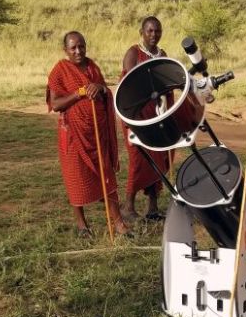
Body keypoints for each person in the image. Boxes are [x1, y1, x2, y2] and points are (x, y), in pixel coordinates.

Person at [47, 31, 131, 238]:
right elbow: (55, 104)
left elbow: (104, 91)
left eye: (81, 46)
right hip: (73, 136)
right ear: (65, 49)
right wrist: (79, 93)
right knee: (76, 179)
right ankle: (82, 226)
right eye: (73, 47)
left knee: (106, 177)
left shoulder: (92, 66)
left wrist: (100, 88)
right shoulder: (60, 70)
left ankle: (119, 224)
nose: (78, 51)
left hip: (96, 134)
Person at [120, 16, 171, 221]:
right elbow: (130, 84)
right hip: (136, 115)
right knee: (138, 159)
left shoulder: (162, 54)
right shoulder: (133, 53)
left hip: (156, 114)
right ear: (142, 32)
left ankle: (153, 207)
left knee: (158, 157)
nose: (153, 35)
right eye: (150, 31)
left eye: (157, 31)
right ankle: (128, 205)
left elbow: (167, 81)